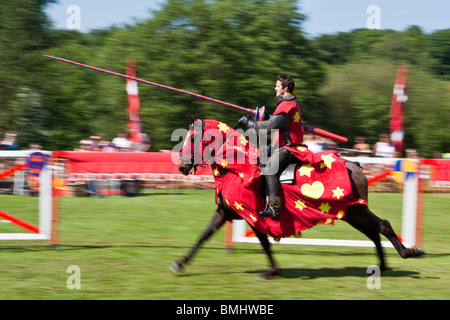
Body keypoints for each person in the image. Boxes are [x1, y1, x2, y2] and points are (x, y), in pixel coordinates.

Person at [239, 74, 303, 220]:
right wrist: (265, 115)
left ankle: (274, 208)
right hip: (279, 146)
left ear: (285, 88)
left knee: (270, 169)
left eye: (277, 85)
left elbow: (270, 126)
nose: (275, 88)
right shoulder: (287, 104)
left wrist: (250, 124)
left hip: (287, 148)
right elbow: (276, 121)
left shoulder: (287, 105)